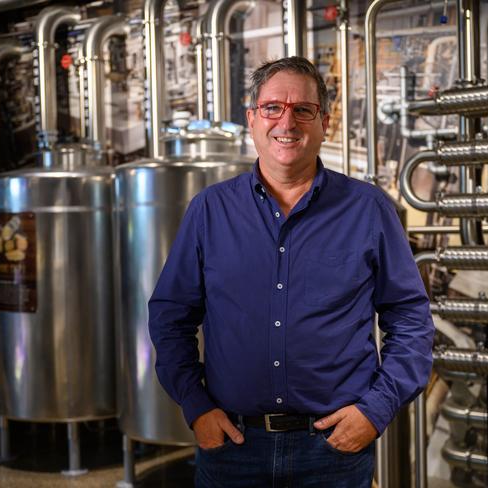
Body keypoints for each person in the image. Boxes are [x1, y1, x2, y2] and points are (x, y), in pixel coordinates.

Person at [148, 56, 434, 487]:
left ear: (324, 122)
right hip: (233, 448)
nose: (288, 121)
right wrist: (196, 407)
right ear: (252, 118)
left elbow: (411, 320)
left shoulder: (369, 210)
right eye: (273, 108)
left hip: (334, 450)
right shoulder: (210, 210)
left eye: (304, 109)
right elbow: (171, 316)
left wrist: (374, 411)